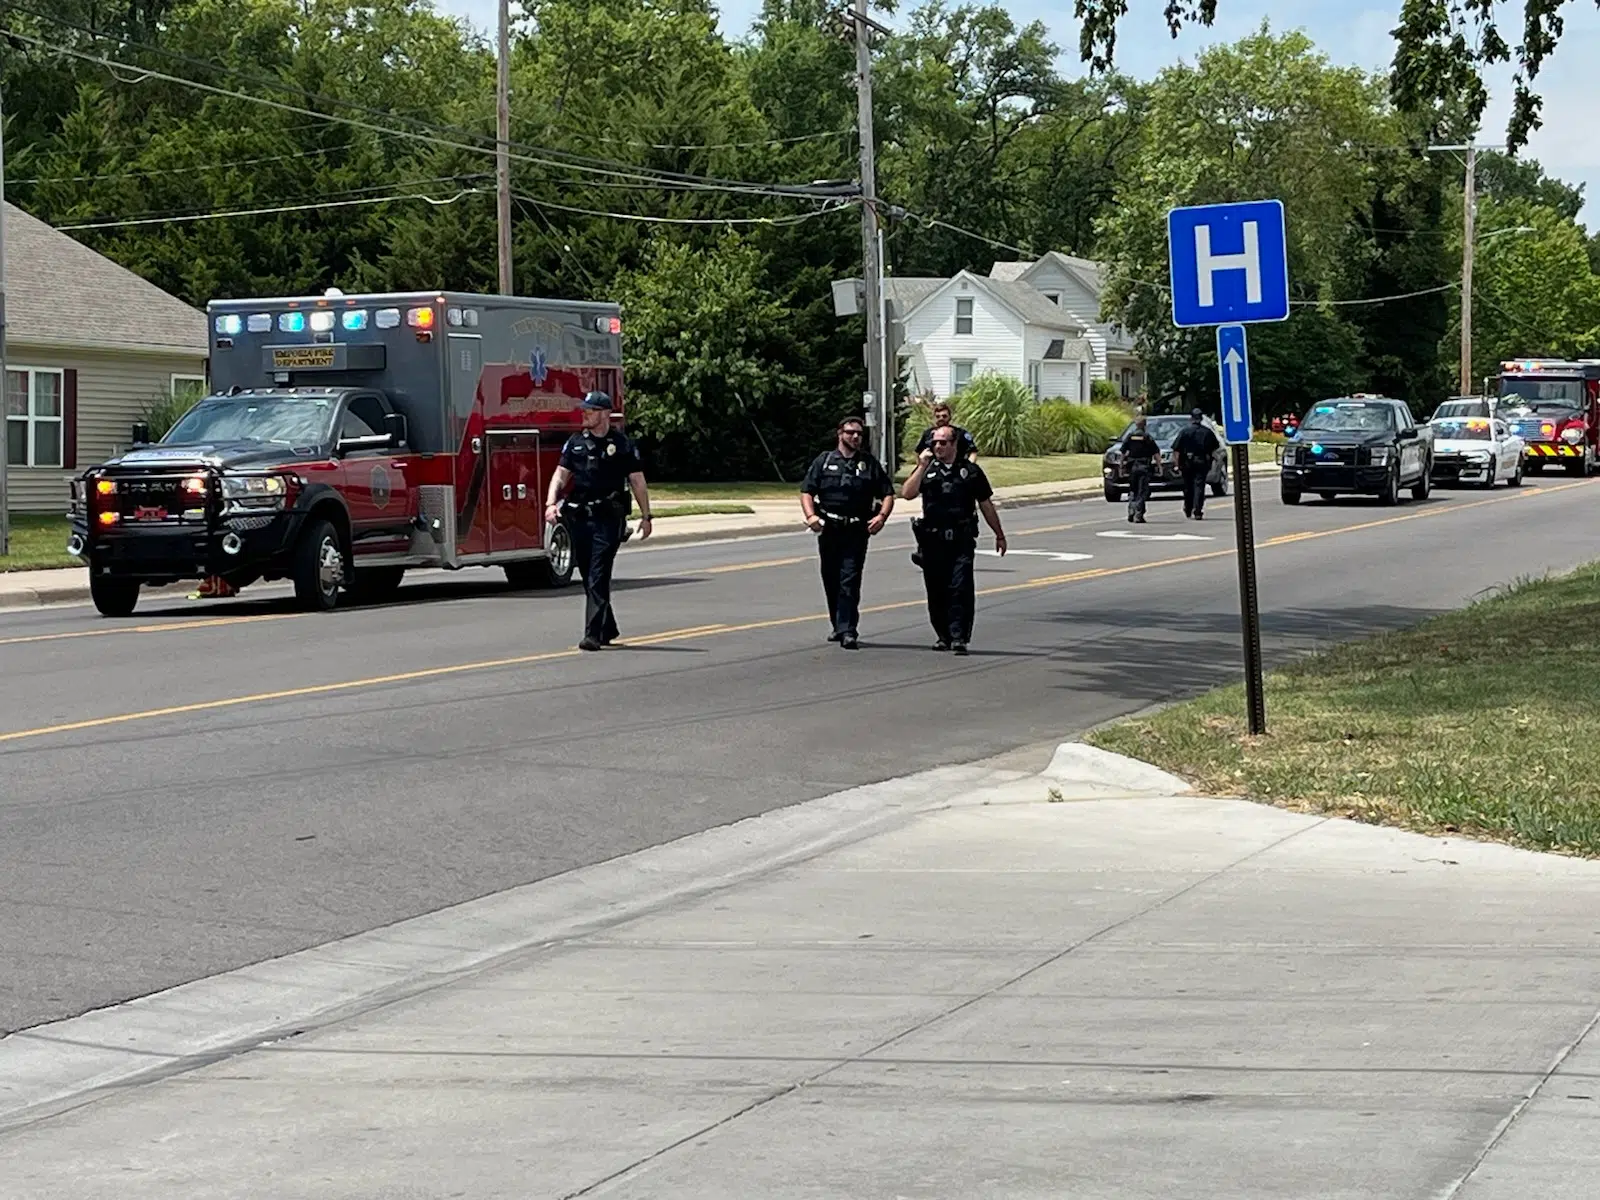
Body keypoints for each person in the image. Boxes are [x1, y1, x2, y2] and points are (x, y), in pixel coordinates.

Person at [544, 390, 653, 650]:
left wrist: (646, 516)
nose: (586, 413)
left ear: (605, 414)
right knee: (587, 574)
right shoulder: (575, 443)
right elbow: (560, 475)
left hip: (608, 518)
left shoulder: (622, 444)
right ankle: (608, 626)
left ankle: (592, 634)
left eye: (591, 410)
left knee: (597, 574)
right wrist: (550, 503)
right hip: (580, 518)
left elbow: (637, 481)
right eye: (585, 409)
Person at [901, 426, 1006, 654]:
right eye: (935, 443)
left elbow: (986, 504)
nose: (938, 447)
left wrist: (999, 534)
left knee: (960, 588)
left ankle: (959, 636)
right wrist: (921, 466)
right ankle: (943, 636)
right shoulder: (927, 470)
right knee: (936, 590)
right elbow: (907, 493)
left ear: (954, 445)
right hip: (932, 540)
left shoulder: (970, 471)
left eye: (943, 443)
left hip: (960, 540)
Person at [800, 416, 894, 649]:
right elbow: (807, 492)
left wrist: (881, 517)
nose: (855, 437)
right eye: (851, 432)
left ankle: (849, 629)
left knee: (849, 580)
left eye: (859, 434)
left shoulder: (868, 463)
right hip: (830, 528)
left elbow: (888, 493)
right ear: (840, 434)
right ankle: (838, 625)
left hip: (856, 529)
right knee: (831, 579)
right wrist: (811, 516)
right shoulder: (824, 461)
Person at [910, 401, 978, 566]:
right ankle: (923, 549)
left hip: (956, 477)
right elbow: (918, 453)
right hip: (933, 477)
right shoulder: (928, 434)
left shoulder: (959, 434)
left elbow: (972, 451)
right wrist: (921, 468)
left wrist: (969, 470)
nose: (941, 419)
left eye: (944, 416)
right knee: (931, 512)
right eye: (938, 416)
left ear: (950, 416)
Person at [1172, 407, 1222, 520]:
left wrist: (1176, 464)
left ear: (1191, 418)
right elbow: (1215, 448)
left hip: (1186, 462)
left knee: (1188, 486)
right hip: (1201, 461)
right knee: (1199, 486)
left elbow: (1176, 449)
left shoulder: (1184, 431)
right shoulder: (1207, 432)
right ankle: (1198, 510)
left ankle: (1188, 508)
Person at [1121, 416, 1161, 523]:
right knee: (1142, 491)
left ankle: (1131, 509)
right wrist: (1159, 466)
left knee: (1133, 490)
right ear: (1145, 425)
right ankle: (1138, 513)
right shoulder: (1147, 437)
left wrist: (1121, 466)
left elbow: (1123, 453)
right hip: (1144, 467)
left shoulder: (1130, 437)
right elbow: (1156, 453)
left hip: (1132, 467)